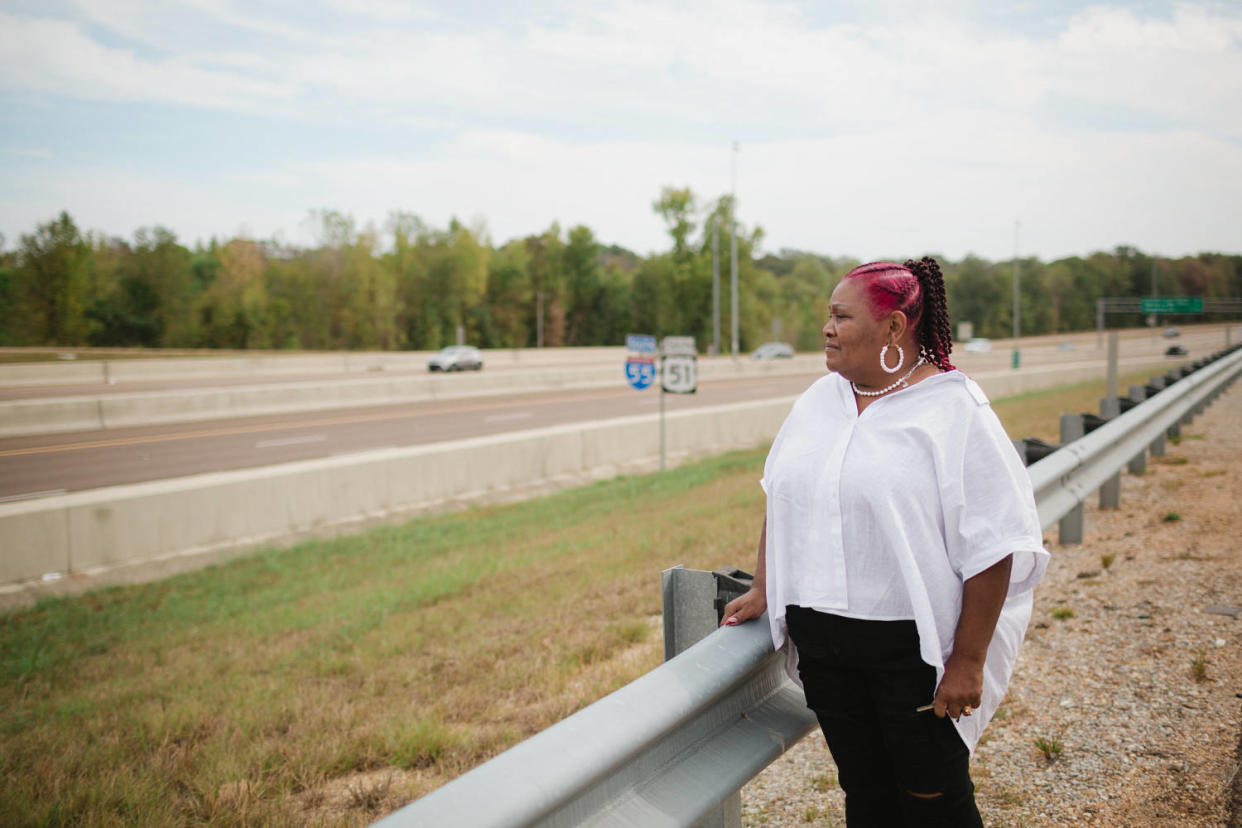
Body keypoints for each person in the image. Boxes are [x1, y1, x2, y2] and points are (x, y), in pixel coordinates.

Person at [721, 257, 1048, 827]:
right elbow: (785, 496)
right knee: (866, 793)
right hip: (823, 643)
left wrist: (968, 660)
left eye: (841, 317)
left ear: (894, 328)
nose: (826, 328)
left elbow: (996, 544)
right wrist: (766, 585)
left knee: (933, 796)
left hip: (911, 651)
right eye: (828, 315)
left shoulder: (954, 409)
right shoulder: (818, 401)